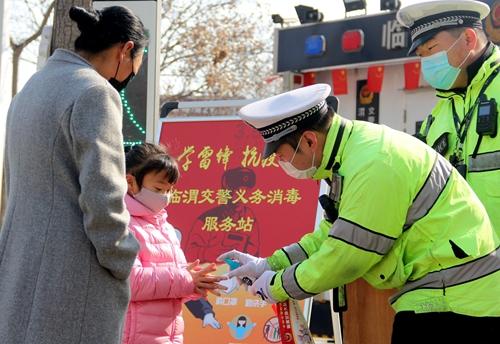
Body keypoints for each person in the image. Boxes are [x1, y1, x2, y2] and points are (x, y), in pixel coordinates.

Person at [218, 84, 500, 344]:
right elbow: (329, 236)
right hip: (445, 293)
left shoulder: (372, 163)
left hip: (456, 301)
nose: (280, 163)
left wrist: (277, 286)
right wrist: (269, 264)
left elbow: (346, 258)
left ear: (308, 141)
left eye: (280, 155)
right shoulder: (354, 153)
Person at [0, 5, 148, 344]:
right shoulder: (95, 92)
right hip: (71, 282)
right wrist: (124, 257)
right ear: (126, 49)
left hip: (19, 276)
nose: (125, 80)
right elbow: (104, 198)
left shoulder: (31, 89)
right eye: (132, 71)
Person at [396, 0, 500, 236]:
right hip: (468, 264)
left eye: (431, 50)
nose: (427, 64)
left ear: (468, 40)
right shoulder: (440, 112)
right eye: (421, 56)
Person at [123, 143, 227, 344]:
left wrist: (196, 284)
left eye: (170, 190)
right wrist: (186, 280)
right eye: (159, 188)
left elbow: (175, 285)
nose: (166, 197)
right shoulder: (122, 222)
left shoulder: (166, 227)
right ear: (131, 182)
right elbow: (130, 282)